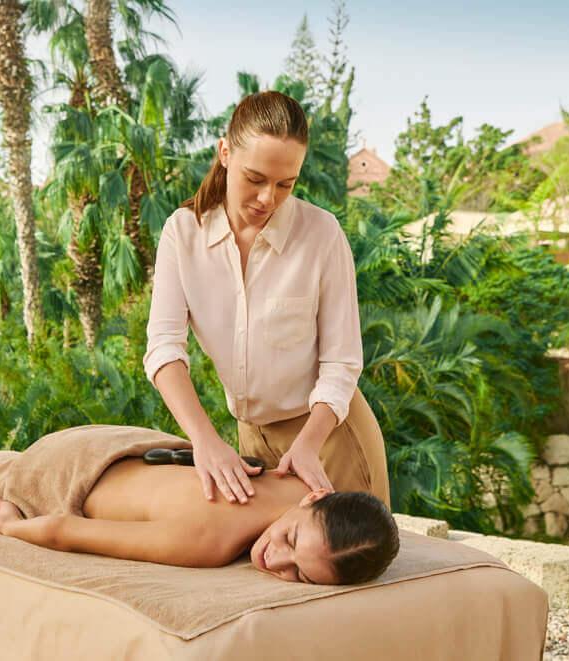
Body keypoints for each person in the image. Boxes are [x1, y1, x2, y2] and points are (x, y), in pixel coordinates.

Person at [144, 90, 390, 507]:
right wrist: (204, 440)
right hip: (250, 440)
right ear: (225, 153)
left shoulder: (321, 234)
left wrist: (309, 444)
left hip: (328, 438)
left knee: (346, 551)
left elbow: (341, 363)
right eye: (255, 179)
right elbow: (163, 348)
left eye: (285, 184)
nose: (267, 198)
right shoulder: (182, 233)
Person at [0, 453, 399, 586]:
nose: (275, 559)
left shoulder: (299, 478)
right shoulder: (208, 541)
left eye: (300, 575)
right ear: (317, 498)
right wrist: (8, 525)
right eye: (292, 540)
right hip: (69, 470)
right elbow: (63, 529)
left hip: (128, 448)